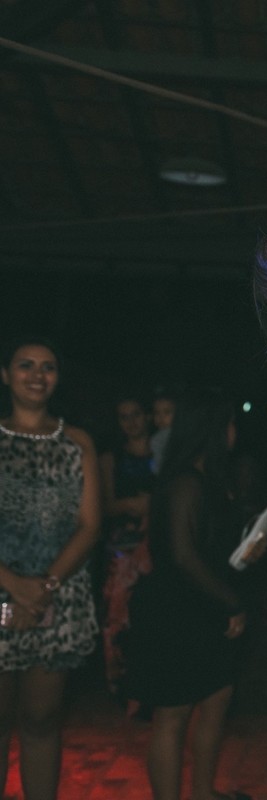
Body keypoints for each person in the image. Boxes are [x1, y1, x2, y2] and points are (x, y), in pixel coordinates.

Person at [123, 389, 248, 800]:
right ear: (212, 429)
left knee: (216, 696)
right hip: (175, 611)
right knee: (173, 714)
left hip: (204, 607)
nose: (235, 432)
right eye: (229, 423)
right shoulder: (184, 484)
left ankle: (203, 792)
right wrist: (230, 601)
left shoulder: (212, 479)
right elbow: (182, 556)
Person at [0, 336, 101, 800]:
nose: (37, 375)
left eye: (48, 367)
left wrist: (43, 587)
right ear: (6, 375)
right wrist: (15, 586)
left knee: (41, 720)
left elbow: (89, 524)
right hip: (3, 592)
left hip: (57, 597)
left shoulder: (77, 441)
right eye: (25, 365)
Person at [97, 394, 156, 696]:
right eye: (124, 416)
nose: (131, 422)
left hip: (159, 545)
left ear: (146, 416)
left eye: (135, 414)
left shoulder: (164, 448)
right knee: (119, 615)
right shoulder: (112, 457)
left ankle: (151, 682)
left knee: (152, 613)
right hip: (123, 548)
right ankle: (119, 684)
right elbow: (102, 505)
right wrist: (130, 505)